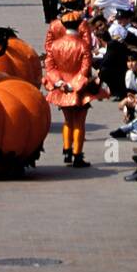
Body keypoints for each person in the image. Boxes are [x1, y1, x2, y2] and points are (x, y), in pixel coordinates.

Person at [43, 11, 106, 169]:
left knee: (67, 120)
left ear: (63, 25)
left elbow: (50, 66)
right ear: (79, 25)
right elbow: (85, 70)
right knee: (79, 122)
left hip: (62, 87)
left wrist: (59, 82)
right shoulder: (83, 45)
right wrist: (73, 84)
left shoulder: (55, 45)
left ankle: (66, 150)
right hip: (79, 87)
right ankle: (77, 155)